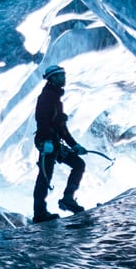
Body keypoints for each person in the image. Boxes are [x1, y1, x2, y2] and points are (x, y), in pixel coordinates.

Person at [32, 64, 85, 223]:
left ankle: (68, 198)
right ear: (53, 78)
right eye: (61, 75)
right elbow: (42, 119)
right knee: (45, 176)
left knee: (77, 164)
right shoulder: (47, 96)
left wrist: (74, 145)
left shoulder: (53, 95)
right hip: (47, 142)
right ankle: (40, 213)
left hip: (52, 142)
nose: (64, 77)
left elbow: (60, 126)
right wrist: (47, 140)